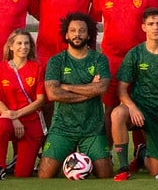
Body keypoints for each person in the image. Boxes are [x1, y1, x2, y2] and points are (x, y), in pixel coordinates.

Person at [112, 8, 158, 180]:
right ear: (143, 27)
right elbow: (121, 89)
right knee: (117, 113)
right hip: (139, 110)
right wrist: (132, 107)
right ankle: (123, 168)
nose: (155, 28)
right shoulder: (135, 54)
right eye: (151, 24)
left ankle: (142, 154)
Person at [37, 13, 114, 180]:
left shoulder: (99, 59)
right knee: (45, 175)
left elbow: (102, 87)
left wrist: (67, 87)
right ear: (66, 34)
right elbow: (52, 93)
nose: (77, 34)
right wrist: (88, 92)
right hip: (63, 128)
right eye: (72, 30)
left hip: (92, 128)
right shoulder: (57, 61)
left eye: (81, 31)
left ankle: (92, 155)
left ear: (88, 34)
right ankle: (66, 154)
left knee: (105, 174)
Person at [0, 29, 47, 180]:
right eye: (19, 43)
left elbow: (40, 100)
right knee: (1, 126)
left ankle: (17, 160)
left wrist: (18, 114)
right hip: (8, 118)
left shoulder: (37, 68)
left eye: (26, 43)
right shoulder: (0, 68)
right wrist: (13, 118)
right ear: (11, 46)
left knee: (23, 173)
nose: (23, 47)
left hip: (31, 121)